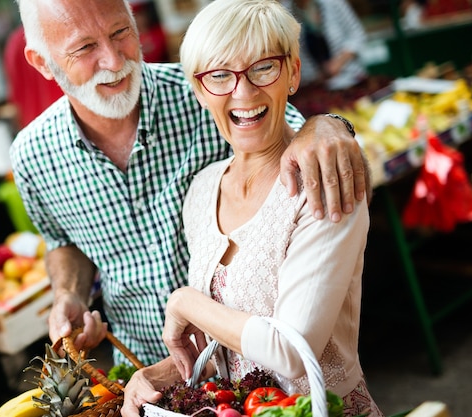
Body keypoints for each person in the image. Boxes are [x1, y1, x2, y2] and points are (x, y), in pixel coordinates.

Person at [10, 0, 370, 367]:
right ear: (42, 62)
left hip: (248, 362)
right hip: (140, 367)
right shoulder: (32, 156)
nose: (115, 61)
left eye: (120, 33)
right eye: (85, 47)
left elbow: (293, 132)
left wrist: (327, 124)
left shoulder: (205, 86)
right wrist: (70, 294)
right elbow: (63, 241)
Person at [122, 1, 381, 416]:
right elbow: (231, 339)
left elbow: (291, 351)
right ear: (198, 89)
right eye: (220, 75)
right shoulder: (202, 192)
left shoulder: (325, 184)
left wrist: (185, 302)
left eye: (263, 68)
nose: (243, 93)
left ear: (293, 73)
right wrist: (163, 373)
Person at [282, 0, 390, 117]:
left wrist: (339, 62)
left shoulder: (334, 3)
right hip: (314, 89)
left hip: (350, 82)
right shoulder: (285, 12)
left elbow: (357, 34)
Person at [3, 25, 64, 130]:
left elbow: (15, 98)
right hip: (64, 115)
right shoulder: (53, 32)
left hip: (34, 125)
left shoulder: (14, 43)